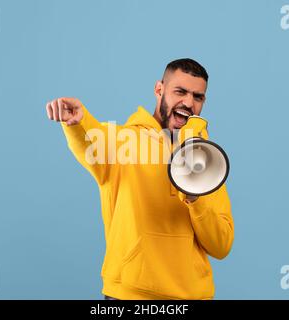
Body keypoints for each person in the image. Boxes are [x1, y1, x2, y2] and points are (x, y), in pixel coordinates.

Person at [45, 58, 234, 300]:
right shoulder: (122, 141)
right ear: (159, 89)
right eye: (180, 91)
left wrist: (196, 199)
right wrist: (78, 121)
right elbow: (91, 141)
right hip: (129, 294)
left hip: (192, 296)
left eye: (197, 97)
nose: (188, 102)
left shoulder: (206, 159)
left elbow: (221, 245)